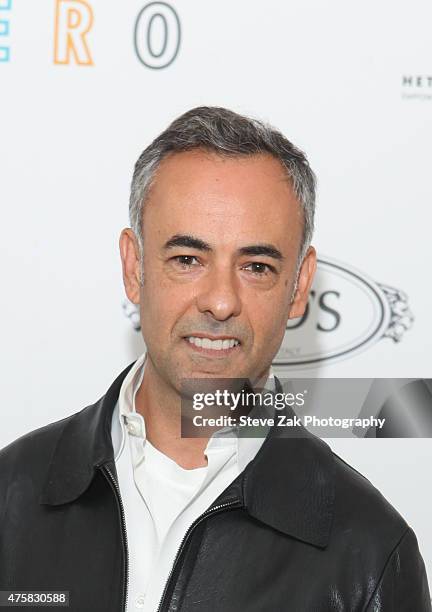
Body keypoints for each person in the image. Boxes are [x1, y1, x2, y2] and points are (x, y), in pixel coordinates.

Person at [0, 107, 430, 612]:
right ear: (134, 267)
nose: (221, 301)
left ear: (299, 286)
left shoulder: (372, 556)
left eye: (256, 266)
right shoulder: (12, 495)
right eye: (187, 260)